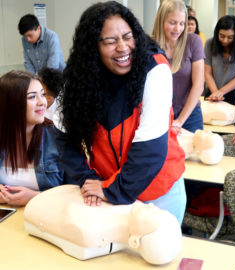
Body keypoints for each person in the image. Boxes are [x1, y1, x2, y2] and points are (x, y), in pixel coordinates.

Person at [54, 1, 186, 224]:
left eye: (128, 36)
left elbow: (150, 149)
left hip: (158, 195)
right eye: (110, 41)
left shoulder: (154, 69)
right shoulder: (80, 75)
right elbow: (62, 134)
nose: (123, 47)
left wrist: (112, 190)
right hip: (106, 193)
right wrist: (88, 180)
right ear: (92, 46)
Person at [24, 185, 182, 264]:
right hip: (51, 198)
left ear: (135, 240)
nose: (152, 207)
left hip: (40, 206)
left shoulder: (90, 231)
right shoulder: (130, 204)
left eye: (153, 216)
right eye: (160, 211)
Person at [0, 70, 73, 206]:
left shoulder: (60, 138)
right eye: (32, 97)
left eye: (43, 95)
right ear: (11, 103)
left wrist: (35, 197)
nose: (42, 102)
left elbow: (79, 191)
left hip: (47, 220)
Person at [152, 0, 205, 133]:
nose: (178, 29)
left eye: (182, 24)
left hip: (189, 114)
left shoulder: (193, 41)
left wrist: (180, 121)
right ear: (161, 20)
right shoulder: (150, 45)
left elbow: (198, 85)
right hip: (159, 114)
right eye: (172, 23)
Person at [204, 15, 235, 105]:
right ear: (217, 33)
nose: (225, 40)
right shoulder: (209, 43)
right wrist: (215, 93)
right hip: (213, 91)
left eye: (230, 37)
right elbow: (207, 73)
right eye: (222, 36)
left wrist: (221, 92)